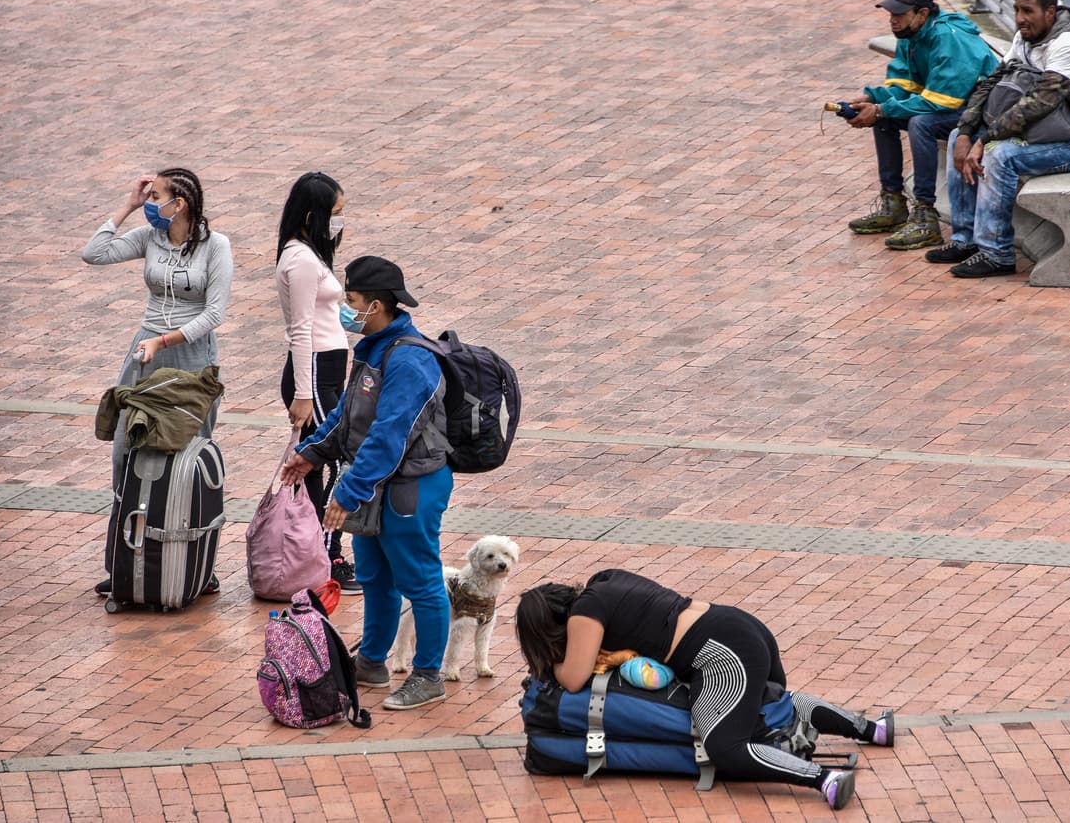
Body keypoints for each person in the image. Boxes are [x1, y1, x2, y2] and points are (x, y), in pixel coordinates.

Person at [516, 569, 896, 812]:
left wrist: (549, 661)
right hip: (737, 624)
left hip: (719, 654)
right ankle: (871, 729)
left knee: (726, 746)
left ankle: (823, 780)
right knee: (770, 708)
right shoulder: (604, 580)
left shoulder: (583, 615)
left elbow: (573, 678)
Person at [280, 256, 453, 711]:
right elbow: (346, 416)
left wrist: (347, 492)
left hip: (411, 487)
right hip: (377, 483)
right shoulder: (373, 348)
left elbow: (389, 436)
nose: (345, 308)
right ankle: (373, 662)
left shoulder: (410, 360)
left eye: (350, 301)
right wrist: (312, 451)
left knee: (421, 580)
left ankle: (428, 674)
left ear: (374, 305)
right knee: (376, 576)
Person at [82, 168, 233, 597]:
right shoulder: (150, 238)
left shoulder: (215, 247)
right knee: (126, 451)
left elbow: (214, 315)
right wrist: (128, 204)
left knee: (187, 451)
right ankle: (124, 560)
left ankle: (191, 559)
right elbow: (93, 254)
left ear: (179, 204)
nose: (151, 202)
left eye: (156, 196)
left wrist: (162, 341)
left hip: (191, 355)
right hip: (144, 354)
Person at [929, 0, 1070, 277]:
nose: (1020, 19)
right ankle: (965, 240)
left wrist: (986, 139)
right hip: (1040, 134)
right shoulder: (1025, 39)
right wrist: (966, 132)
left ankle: (997, 252)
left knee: (1000, 155)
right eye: (1017, 10)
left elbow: (1039, 103)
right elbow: (990, 82)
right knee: (955, 138)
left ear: (1050, 12)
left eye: (1028, 11)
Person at [845, 0, 999, 251]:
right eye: (891, 13)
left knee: (921, 124)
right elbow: (904, 87)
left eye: (899, 14)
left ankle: (926, 214)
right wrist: (872, 99)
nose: (892, 20)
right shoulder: (910, 35)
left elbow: (940, 102)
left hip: (980, 113)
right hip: (949, 105)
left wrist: (880, 109)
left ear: (923, 13)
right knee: (886, 117)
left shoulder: (950, 37)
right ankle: (893, 203)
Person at [274, 172, 359, 594]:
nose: (339, 223)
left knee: (316, 466)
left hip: (326, 371)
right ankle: (328, 557)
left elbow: (325, 317)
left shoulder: (308, 254)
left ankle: (316, 554)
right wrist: (305, 395)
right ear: (313, 215)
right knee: (336, 457)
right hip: (314, 375)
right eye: (335, 215)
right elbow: (301, 331)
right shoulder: (302, 260)